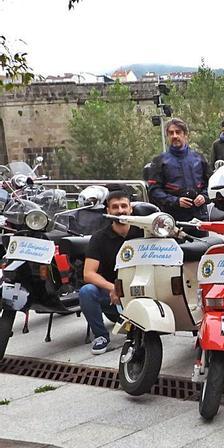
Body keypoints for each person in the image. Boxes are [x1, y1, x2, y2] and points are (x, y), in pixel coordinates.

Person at [81, 189, 144, 354]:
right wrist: (113, 288)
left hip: (143, 291)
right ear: (108, 211)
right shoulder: (99, 238)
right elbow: (88, 273)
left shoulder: (145, 232)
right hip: (113, 298)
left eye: (124, 206)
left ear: (131, 209)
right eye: (115, 207)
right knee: (87, 291)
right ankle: (101, 336)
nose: (120, 210)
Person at [147, 118, 209, 222]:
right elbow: (154, 191)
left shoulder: (199, 158)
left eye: (178, 132)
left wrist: (204, 196)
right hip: (173, 218)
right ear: (167, 136)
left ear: (185, 134)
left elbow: (211, 185)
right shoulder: (159, 161)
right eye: (171, 133)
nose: (175, 136)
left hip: (200, 216)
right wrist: (175, 201)